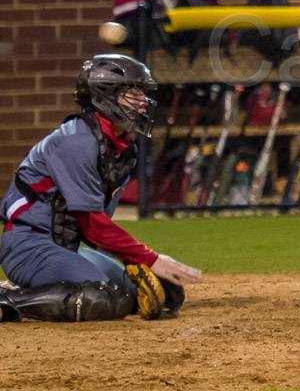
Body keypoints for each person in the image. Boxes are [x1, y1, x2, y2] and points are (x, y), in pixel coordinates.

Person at [0, 55, 202, 322]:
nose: (143, 101)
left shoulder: (121, 147)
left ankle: (36, 288)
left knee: (166, 293)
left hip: (66, 247)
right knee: (105, 298)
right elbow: (92, 225)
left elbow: (97, 228)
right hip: (28, 246)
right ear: (105, 96)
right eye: (133, 92)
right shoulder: (76, 141)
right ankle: (9, 300)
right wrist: (149, 257)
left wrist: (138, 262)